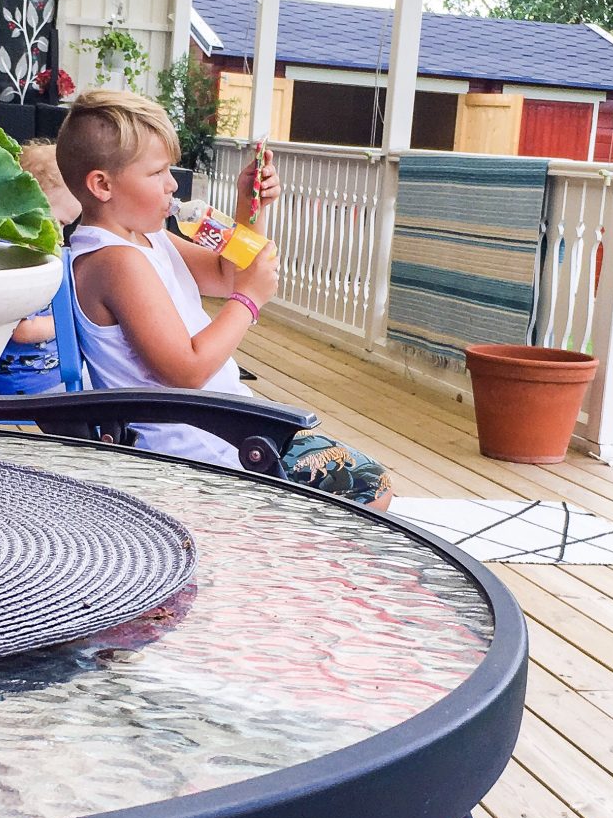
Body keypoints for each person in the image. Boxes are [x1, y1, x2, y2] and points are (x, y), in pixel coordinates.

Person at [55, 88, 391, 509]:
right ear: (103, 185)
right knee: (371, 489)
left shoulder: (147, 240)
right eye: (157, 173)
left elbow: (224, 273)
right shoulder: (116, 261)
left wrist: (250, 207)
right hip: (193, 448)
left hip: (221, 426)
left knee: (368, 482)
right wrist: (248, 303)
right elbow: (188, 370)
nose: (172, 184)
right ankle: (257, 545)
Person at [0, 140, 81, 397]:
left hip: (43, 375)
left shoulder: (21, 250)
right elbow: (22, 330)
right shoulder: (16, 257)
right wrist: (72, 319)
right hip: (30, 384)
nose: (61, 236)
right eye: (59, 222)